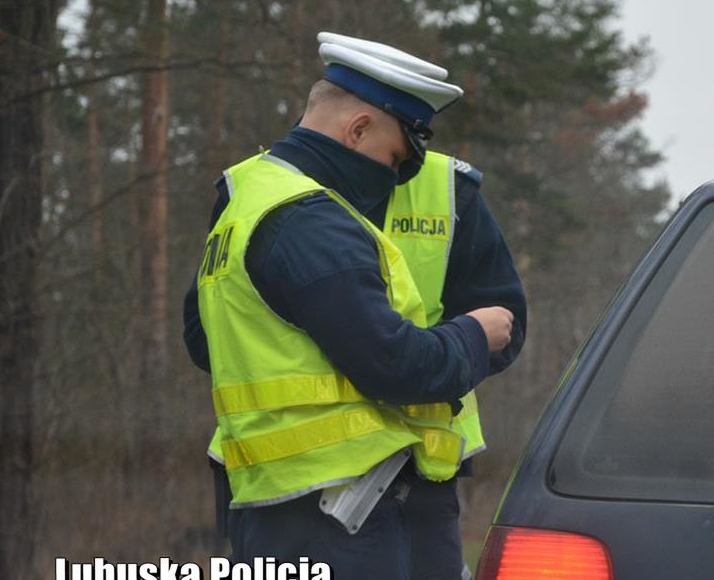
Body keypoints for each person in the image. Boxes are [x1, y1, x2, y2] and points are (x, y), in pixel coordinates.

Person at [181, 35, 522, 580]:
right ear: (357, 129)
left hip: (285, 502)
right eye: (392, 158)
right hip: (344, 513)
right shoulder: (309, 219)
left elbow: (206, 340)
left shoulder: (250, 198)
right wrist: (473, 337)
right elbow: (394, 362)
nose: (394, 179)